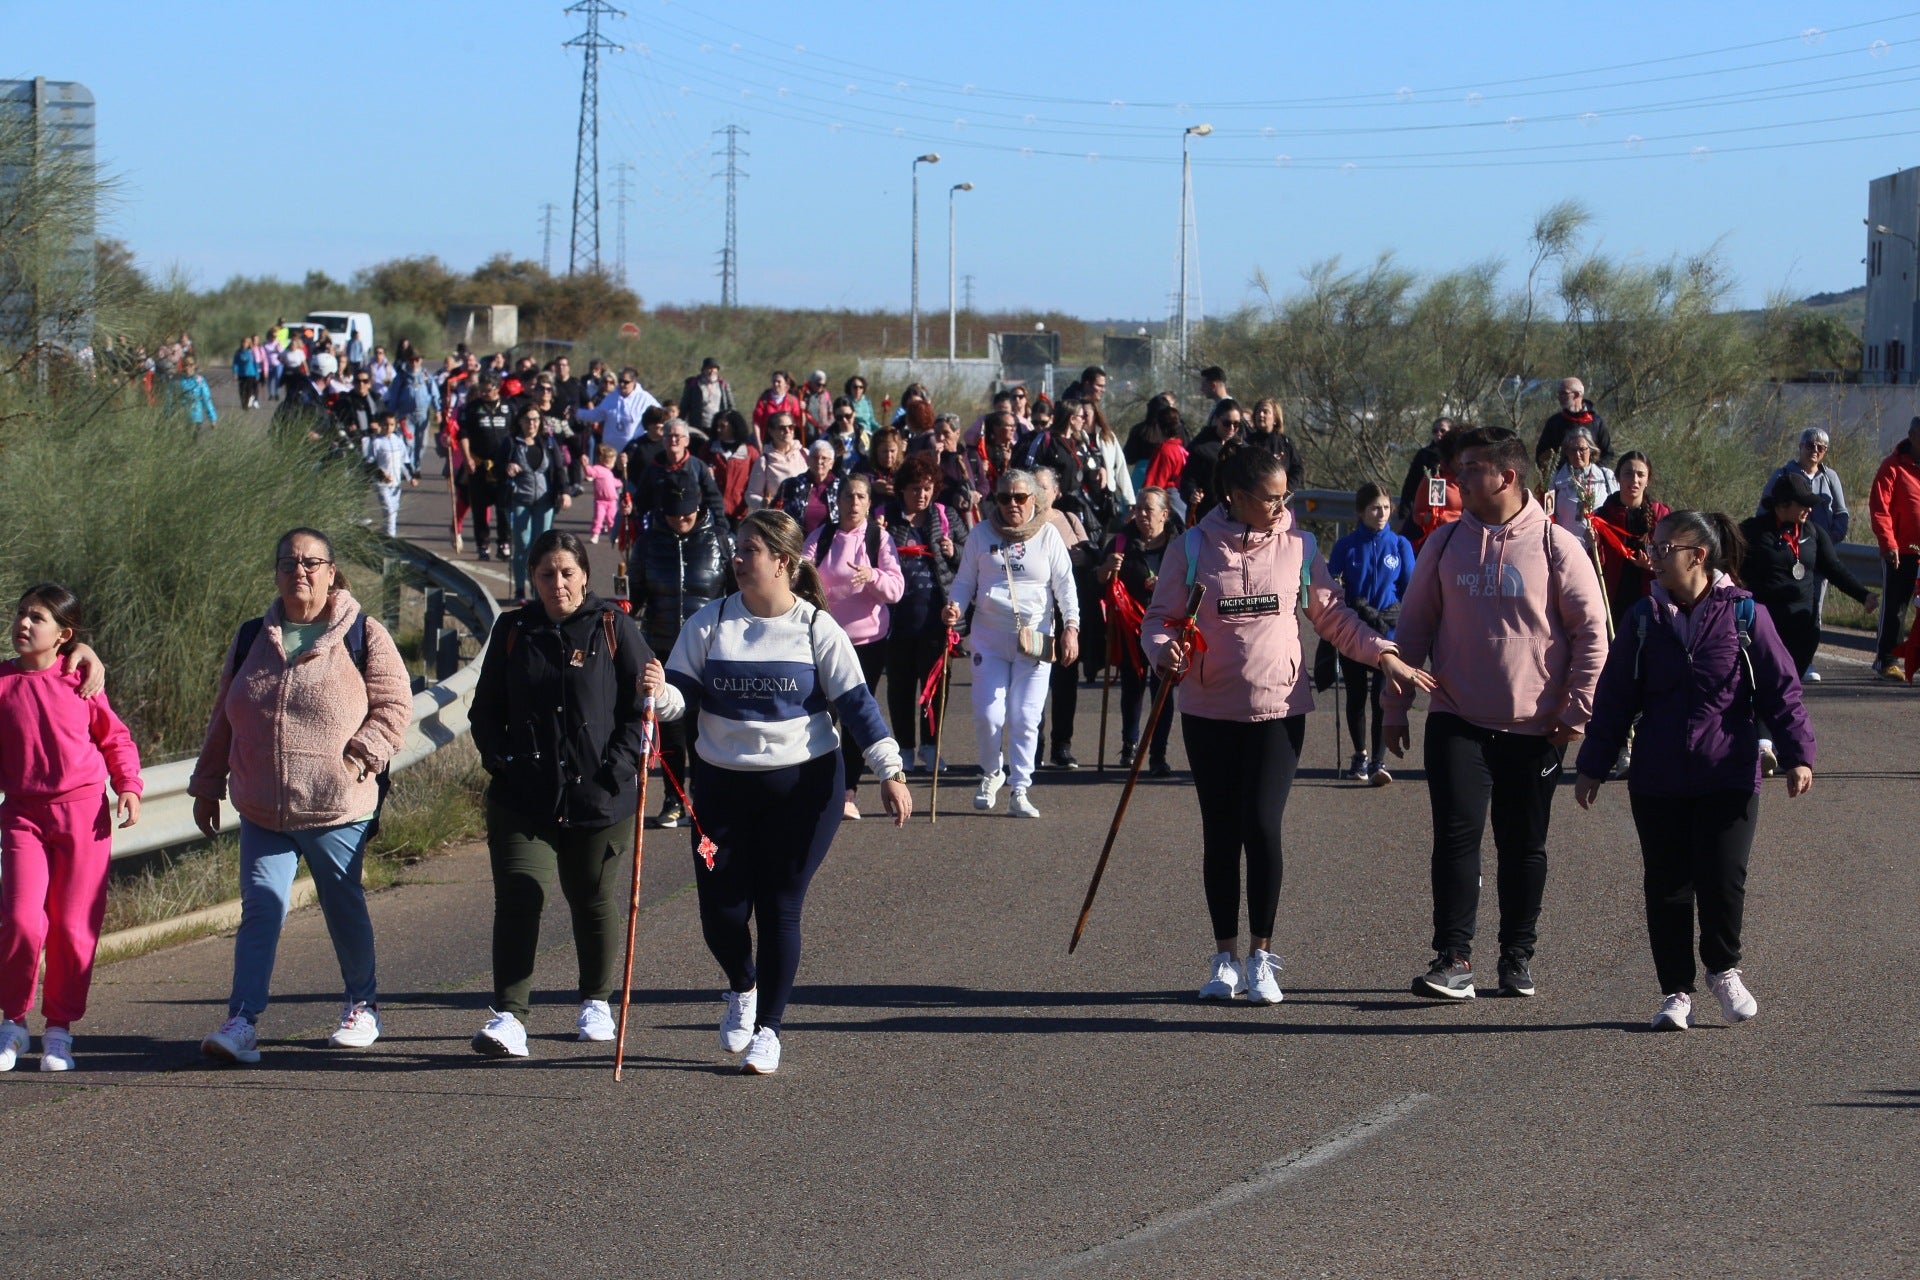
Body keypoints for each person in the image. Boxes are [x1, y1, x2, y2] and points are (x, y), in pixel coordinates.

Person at [1144, 444, 1430, 1004]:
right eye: (1271, 499)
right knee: (1221, 832)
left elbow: (1332, 617)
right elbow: (1161, 620)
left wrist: (1384, 654)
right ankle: (1224, 957)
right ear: (1238, 496)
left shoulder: (1299, 547)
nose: (1282, 507)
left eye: (1286, 497)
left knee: (1263, 827)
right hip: (1208, 712)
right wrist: (1163, 653)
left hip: (1278, 710)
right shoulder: (1193, 546)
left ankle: (1261, 958)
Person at [653, 510, 913, 1075]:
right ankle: (742, 986)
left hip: (804, 791)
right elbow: (680, 700)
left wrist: (889, 770)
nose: (737, 559)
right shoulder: (709, 623)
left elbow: (858, 708)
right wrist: (657, 696)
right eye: (737, 549)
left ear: (784, 563)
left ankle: (769, 1026)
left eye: (750, 550)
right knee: (720, 912)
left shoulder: (818, 629)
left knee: (779, 905)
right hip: (720, 791)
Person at [1382, 425, 1608, 1001]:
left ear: (1507, 476)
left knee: (1522, 846)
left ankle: (1516, 956)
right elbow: (1412, 630)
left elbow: (1592, 636)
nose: (1458, 477)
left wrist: (1575, 715)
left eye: (1472, 468)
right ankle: (1453, 959)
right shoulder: (1444, 543)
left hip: (1537, 727)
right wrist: (1395, 706)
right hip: (1457, 719)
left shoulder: (1559, 546)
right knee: (1456, 839)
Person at [1572, 511, 1815, 1031]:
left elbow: (1781, 689)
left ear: (1697, 556)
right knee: (1667, 887)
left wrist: (1798, 755)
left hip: (1727, 773)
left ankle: (1724, 969)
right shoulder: (1643, 620)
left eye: (1663, 548)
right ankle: (1676, 991)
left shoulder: (1745, 615)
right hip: (1658, 778)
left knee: (1724, 880)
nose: (1652, 557)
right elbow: (1614, 698)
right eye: (1651, 547)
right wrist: (1592, 764)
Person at [191, 530, 412, 1065]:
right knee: (262, 910)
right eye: (289, 562)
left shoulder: (362, 632)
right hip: (263, 808)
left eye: (313, 563)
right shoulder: (252, 637)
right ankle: (242, 1023)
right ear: (276, 572)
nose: (301, 572)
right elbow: (226, 714)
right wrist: (205, 784)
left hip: (336, 807)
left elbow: (394, 704)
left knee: (343, 906)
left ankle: (363, 1006)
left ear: (332, 571)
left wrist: (361, 755)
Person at [468, 531, 662, 1058]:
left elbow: (639, 710)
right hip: (522, 799)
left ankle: (595, 1000)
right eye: (546, 574)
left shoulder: (614, 627)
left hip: (600, 798)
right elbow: (484, 712)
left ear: (585, 575)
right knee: (519, 896)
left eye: (567, 573)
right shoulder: (514, 630)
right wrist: (502, 761)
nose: (558, 584)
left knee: (592, 899)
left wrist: (616, 769)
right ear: (532, 579)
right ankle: (510, 1015)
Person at [0, 585, 144, 1073]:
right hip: (22, 815)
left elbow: (114, 737)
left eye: (35, 617)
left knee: (72, 927)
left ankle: (59, 1030)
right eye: (21, 614)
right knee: (22, 921)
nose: (23, 623)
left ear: (63, 634)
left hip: (83, 816)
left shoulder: (80, 678)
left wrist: (128, 785)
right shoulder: (1, 682)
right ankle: (13, 1021)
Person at [942, 470, 1080, 818]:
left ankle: (1020, 787)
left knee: (1024, 717)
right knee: (989, 715)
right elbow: (963, 582)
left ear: (1034, 499)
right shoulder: (980, 534)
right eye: (1005, 498)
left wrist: (1071, 628)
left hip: (1033, 643)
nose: (1013, 505)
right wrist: (954, 606)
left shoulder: (1048, 536)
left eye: (1020, 497)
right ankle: (991, 773)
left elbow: (1066, 588)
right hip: (988, 640)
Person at [1739, 470, 1876, 771]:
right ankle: (1763, 747)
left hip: (1803, 630)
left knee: (1788, 690)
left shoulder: (1813, 533)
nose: (1809, 509)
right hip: (1763, 628)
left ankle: (1778, 747)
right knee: (1766, 684)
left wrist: (1863, 595)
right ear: (1782, 504)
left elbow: (1835, 568)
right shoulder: (1751, 533)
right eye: (1803, 503)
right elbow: (1728, 568)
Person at [628, 476, 734, 828]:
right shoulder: (646, 544)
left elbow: (735, 594)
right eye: (674, 516)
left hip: (711, 651)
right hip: (664, 648)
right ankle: (673, 799)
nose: (681, 521)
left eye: (687, 515)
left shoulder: (720, 541)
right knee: (671, 730)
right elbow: (636, 595)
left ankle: (704, 797)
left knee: (704, 729)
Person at [803, 474, 904, 818]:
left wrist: (872, 576)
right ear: (839, 500)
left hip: (867, 642)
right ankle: (821, 785)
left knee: (855, 715)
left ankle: (848, 792)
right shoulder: (824, 535)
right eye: (849, 496)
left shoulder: (879, 538)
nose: (855, 503)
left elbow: (896, 589)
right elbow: (801, 572)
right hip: (827, 639)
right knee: (824, 713)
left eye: (861, 496)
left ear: (869, 502)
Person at [882, 453, 966, 773]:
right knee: (900, 688)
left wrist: (953, 550)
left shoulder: (946, 517)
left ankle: (930, 748)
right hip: (896, 620)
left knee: (935, 687)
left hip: (937, 618)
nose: (922, 494)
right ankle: (904, 747)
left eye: (928, 488)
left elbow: (970, 556)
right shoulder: (886, 518)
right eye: (915, 488)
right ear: (902, 489)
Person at [1329, 483, 1416, 785]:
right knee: (1356, 696)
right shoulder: (1346, 546)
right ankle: (1360, 754)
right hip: (1354, 630)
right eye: (1374, 508)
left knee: (1382, 696)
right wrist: (1356, 605)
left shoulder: (1400, 545)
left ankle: (1379, 760)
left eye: (1386, 508)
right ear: (1361, 511)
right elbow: (1334, 589)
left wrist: (1394, 612)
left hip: (1387, 633)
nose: (1381, 514)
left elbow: (1410, 589)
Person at [1097, 487, 1175, 774]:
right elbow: (1099, 581)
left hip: (1168, 630)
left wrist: (1166, 586)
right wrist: (1107, 568)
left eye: (1148, 509)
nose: (1141, 514)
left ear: (1164, 515)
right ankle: (1130, 745)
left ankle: (1158, 754)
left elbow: (1195, 581)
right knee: (1132, 687)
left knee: (1162, 691)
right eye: (1138, 508)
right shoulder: (1120, 543)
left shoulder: (1179, 545)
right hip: (1131, 630)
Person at [1590, 451, 1670, 635]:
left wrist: (1652, 567)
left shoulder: (1661, 515)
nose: (1634, 480)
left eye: (1640, 474)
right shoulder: (1602, 516)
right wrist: (1593, 545)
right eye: (1628, 473)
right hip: (1614, 600)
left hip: (1653, 598)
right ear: (1617, 477)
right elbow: (1595, 565)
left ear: (1648, 479)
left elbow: (1673, 558)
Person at [499, 406, 573, 601]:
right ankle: (520, 591)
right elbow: (498, 466)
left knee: (540, 547)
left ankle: (537, 590)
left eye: (534, 419)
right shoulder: (511, 443)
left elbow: (558, 468)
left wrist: (564, 492)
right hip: (519, 499)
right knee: (522, 544)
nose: (531, 423)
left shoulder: (548, 442)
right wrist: (507, 466)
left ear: (540, 422)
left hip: (544, 501)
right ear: (520, 422)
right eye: (527, 420)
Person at [1869, 416, 1920, 680]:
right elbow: (1880, 508)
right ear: (1912, 436)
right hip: (1901, 551)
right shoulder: (1892, 467)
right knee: (1896, 607)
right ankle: (1887, 660)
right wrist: (1888, 543)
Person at [629, 417, 726, 533]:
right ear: (663, 440)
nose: (673, 440)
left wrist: (721, 526)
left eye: (677, 436)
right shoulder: (653, 469)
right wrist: (631, 511)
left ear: (687, 441)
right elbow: (641, 501)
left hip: (695, 530)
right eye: (668, 436)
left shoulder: (698, 467)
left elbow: (713, 499)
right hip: (661, 531)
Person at [460, 374, 514, 561]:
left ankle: (504, 543)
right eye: (481, 388)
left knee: (504, 507)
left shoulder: (509, 407)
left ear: (497, 388)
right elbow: (463, 434)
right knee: (479, 508)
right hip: (479, 465)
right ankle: (482, 544)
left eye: (488, 389)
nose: (483, 392)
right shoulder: (472, 408)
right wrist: (467, 458)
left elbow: (515, 434)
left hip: (502, 466)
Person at [1547, 426, 1619, 550]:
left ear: (1591, 450)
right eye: (1572, 450)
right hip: (1567, 549)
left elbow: (1617, 513)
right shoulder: (1555, 479)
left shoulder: (1606, 477)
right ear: (1567, 453)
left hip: (1600, 548)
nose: (1577, 454)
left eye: (1582, 449)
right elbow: (1548, 515)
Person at [1180, 398, 1245, 523]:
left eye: (1236, 424)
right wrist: (1192, 493)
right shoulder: (1200, 448)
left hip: (1236, 513)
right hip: (1207, 513)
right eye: (1226, 423)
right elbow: (1188, 479)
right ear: (1216, 420)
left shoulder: (1242, 446)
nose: (1231, 428)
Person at [575, 366, 661, 456]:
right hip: (609, 453)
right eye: (620, 381)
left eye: (626, 382)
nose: (622, 384)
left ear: (634, 382)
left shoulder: (644, 399)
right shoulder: (611, 397)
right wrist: (577, 412)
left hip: (633, 453)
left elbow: (660, 416)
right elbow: (595, 415)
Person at [1535, 376, 1612, 472]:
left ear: (1577, 395)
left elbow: (1608, 453)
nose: (1559, 397)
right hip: (1561, 481)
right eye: (1559, 394)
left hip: (1592, 480)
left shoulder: (1596, 422)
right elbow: (1541, 455)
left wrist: (1594, 470)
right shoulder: (1554, 423)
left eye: (1563, 393)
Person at [777, 439, 846, 533]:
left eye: (824, 458)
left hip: (832, 543)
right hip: (798, 542)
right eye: (815, 457)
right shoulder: (791, 485)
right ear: (808, 460)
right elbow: (776, 513)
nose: (819, 461)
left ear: (832, 463)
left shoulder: (842, 487)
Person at [706, 409, 760, 527]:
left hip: (740, 511)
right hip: (714, 510)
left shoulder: (750, 452)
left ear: (734, 427)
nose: (718, 429)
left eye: (723, 426)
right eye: (717, 426)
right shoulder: (708, 450)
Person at [746, 412, 807, 513]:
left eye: (791, 427)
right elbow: (750, 495)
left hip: (805, 518)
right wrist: (764, 503)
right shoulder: (764, 461)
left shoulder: (805, 454)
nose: (788, 431)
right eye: (782, 428)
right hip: (780, 520)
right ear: (771, 431)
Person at [365, 411, 413, 537]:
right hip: (382, 484)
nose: (388, 427)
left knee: (394, 512)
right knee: (389, 511)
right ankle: (391, 538)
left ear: (395, 425)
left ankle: (385, 535)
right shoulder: (376, 442)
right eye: (385, 424)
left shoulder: (398, 441)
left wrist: (410, 477)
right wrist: (381, 474)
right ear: (380, 424)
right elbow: (370, 463)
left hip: (396, 484)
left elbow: (405, 461)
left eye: (391, 424)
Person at [1248, 397, 1304, 488]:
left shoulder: (1286, 444)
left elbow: (1297, 470)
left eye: (1265, 412)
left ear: (1275, 418)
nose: (1261, 415)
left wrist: (1285, 490)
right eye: (1258, 412)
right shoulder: (1248, 443)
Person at [678, 357, 735, 438]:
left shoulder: (723, 385)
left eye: (714, 368)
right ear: (703, 370)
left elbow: (730, 406)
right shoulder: (694, 384)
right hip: (698, 425)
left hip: (717, 425)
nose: (712, 371)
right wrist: (680, 423)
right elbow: (684, 405)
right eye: (709, 368)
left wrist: (732, 423)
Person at [751, 370, 804, 445]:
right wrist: (759, 443)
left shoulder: (792, 401)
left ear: (786, 384)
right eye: (774, 381)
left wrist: (803, 411)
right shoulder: (764, 400)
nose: (776, 384)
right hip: (768, 441)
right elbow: (756, 423)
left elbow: (800, 423)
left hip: (787, 441)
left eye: (779, 382)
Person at [586, 444, 622, 543]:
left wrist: (621, 482)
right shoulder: (598, 469)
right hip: (600, 501)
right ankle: (595, 534)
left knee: (611, 519)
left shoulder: (609, 472)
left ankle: (613, 535)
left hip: (611, 501)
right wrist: (585, 465)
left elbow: (613, 482)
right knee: (598, 518)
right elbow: (590, 472)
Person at [168, 355, 217, 426]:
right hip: (180, 419)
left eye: (190, 365)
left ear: (194, 366)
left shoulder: (200, 381)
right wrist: (167, 414)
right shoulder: (177, 380)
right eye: (185, 365)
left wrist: (212, 418)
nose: (188, 367)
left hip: (196, 418)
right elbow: (169, 397)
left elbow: (206, 399)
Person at [801, 370, 835, 439]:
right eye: (818, 384)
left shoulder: (825, 395)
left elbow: (831, 412)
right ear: (811, 383)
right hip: (808, 433)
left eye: (823, 385)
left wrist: (829, 425)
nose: (821, 387)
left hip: (823, 432)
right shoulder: (803, 394)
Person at [845, 374, 880, 438]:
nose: (858, 389)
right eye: (855, 387)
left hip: (868, 434)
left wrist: (882, 429)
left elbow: (872, 421)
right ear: (850, 388)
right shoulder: (845, 401)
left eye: (860, 387)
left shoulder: (867, 401)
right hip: (853, 435)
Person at [231, 338, 261, 411]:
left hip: (251, 374)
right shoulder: (238, 352)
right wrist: (235, 373)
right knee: (241, 390)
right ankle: (243, 403)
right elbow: (235, 363)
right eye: (243, 342)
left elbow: (256, 364)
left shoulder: (251, 352)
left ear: (249, 344)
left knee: (249, 390)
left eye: (246, 343)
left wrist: (257, 374)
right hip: (241, 374)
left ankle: (247, 403)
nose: (244, 344)